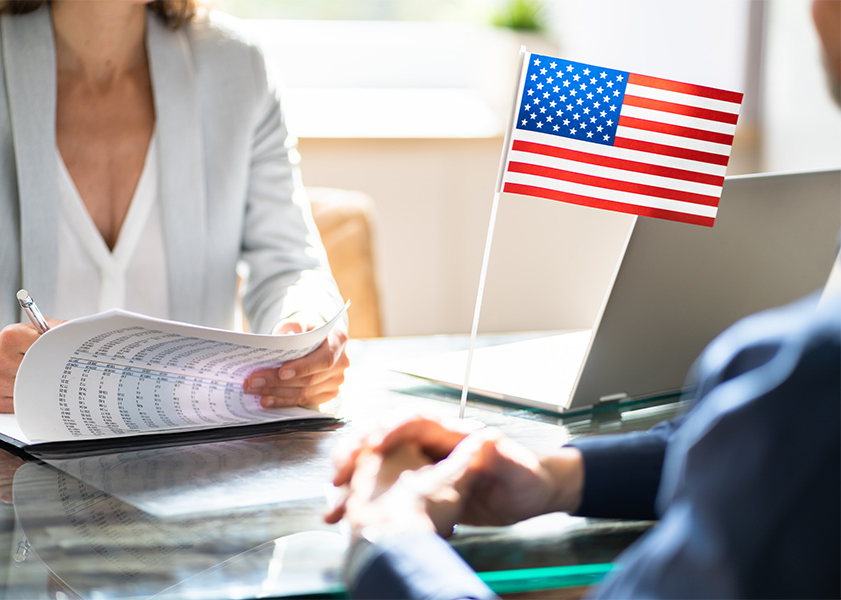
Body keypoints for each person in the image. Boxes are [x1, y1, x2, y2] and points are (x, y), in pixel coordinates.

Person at [326, 2, 841, 597]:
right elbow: (780, 449)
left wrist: (391, 545)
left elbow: (800, 428)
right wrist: (560, 475)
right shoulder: (798, 396)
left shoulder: (806, 379)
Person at [0, 0, 350, 413]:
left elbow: (292, 266)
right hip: (0, 464)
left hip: (200, 457)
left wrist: (306, 328)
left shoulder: (240, 66)